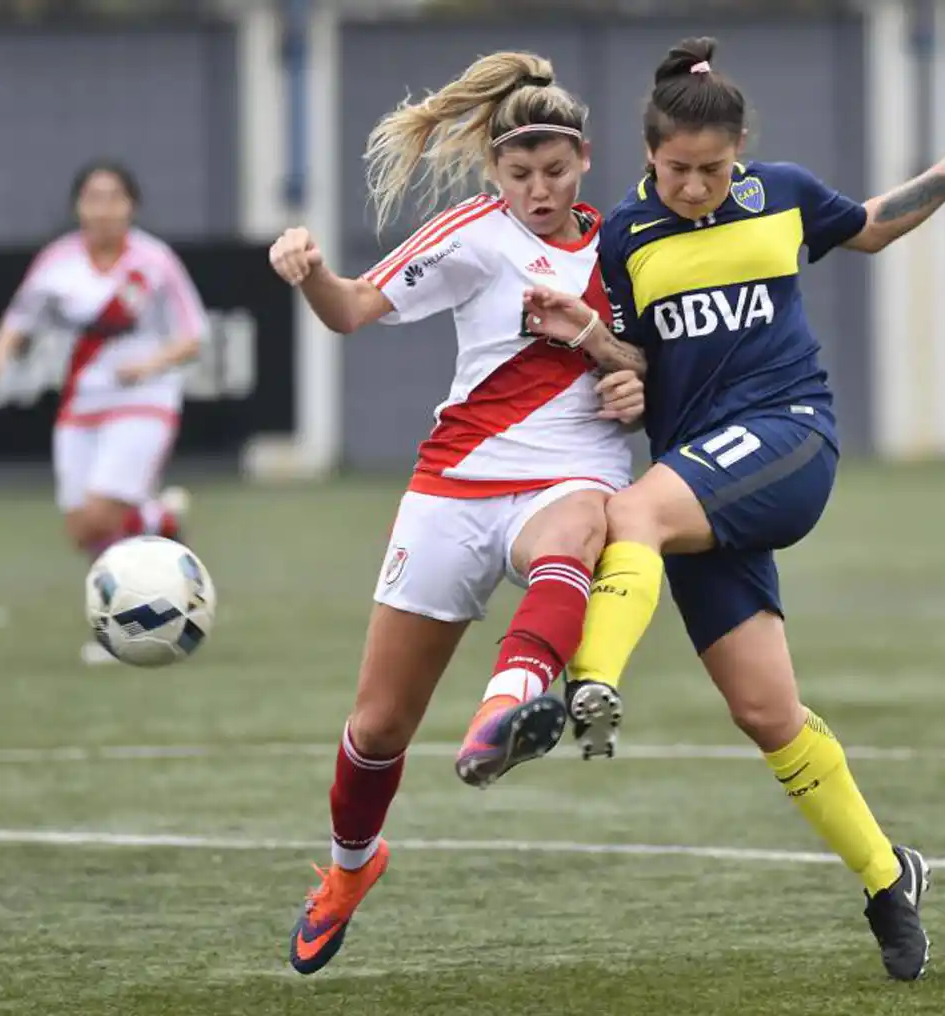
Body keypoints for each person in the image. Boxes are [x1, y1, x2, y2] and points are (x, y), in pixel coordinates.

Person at [520, 37, 945, 981]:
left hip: (789, 436)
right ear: (648, 156)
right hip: (698, 479)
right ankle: (890, 877)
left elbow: (872, 225)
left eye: (714, 169)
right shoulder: (625, 236)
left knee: (628, 515)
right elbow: (637, 365)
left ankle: (586, 683)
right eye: (678, 170)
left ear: (742, 149)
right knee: (767, 712)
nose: (697, 186)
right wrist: (605, 359)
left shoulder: (783, 193)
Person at [265, 51, 647, 976]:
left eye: (555, 171)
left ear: (585, 160)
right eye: (520, 175)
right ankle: (351, 870)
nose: (539, 189)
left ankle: (505, 712)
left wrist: (628, 372)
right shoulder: (474, 234)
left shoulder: (631, 241)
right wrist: (308, 271)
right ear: (494, 173)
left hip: (570, 471)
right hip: (454, 486)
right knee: (378, 728)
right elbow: (352, 309)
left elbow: (659, 359)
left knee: (577, 532)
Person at [0, 161, 206, 666]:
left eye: (114, 198)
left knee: (105, 513)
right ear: (78, 206)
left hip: (144, 401)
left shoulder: (154, 261)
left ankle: (133, 626)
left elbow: (193, 336)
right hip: (81, 405)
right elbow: (19, 319)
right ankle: (159, 516)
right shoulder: (58, 262)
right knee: (84, 530)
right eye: (93, 198)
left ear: (132, 206)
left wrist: (148, 363)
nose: (103, 209)